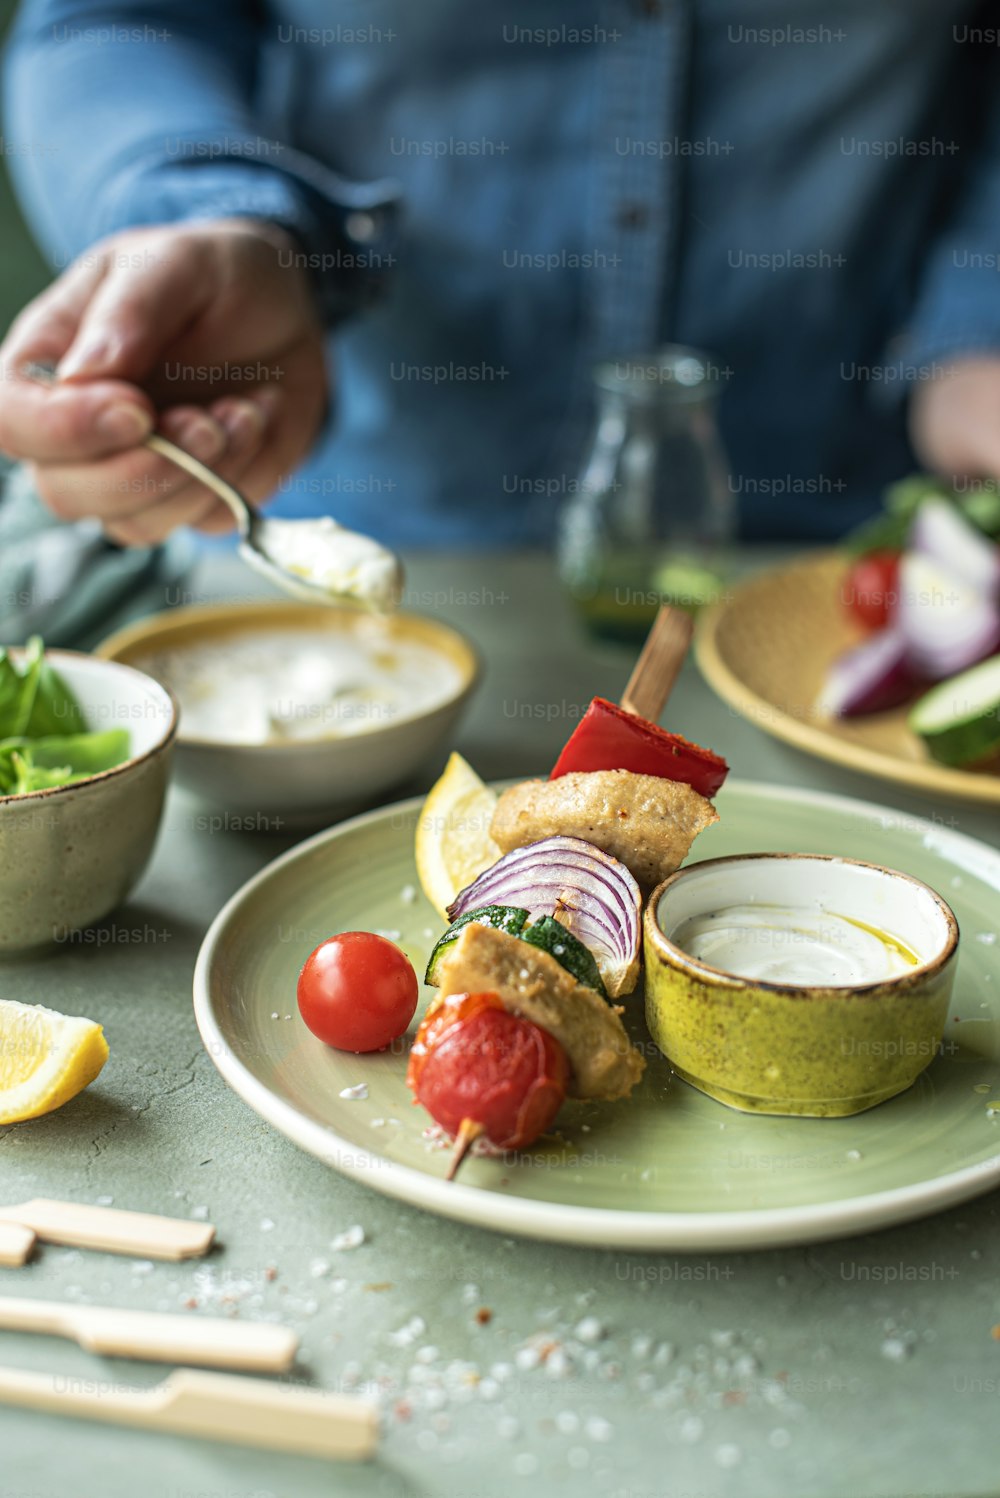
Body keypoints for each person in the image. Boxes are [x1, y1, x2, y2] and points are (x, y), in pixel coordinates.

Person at [2, 1, 1000, 550]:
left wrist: (977, 324)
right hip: (335, 514)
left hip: (840, 553)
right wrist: (211, 212)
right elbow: (120, 16)